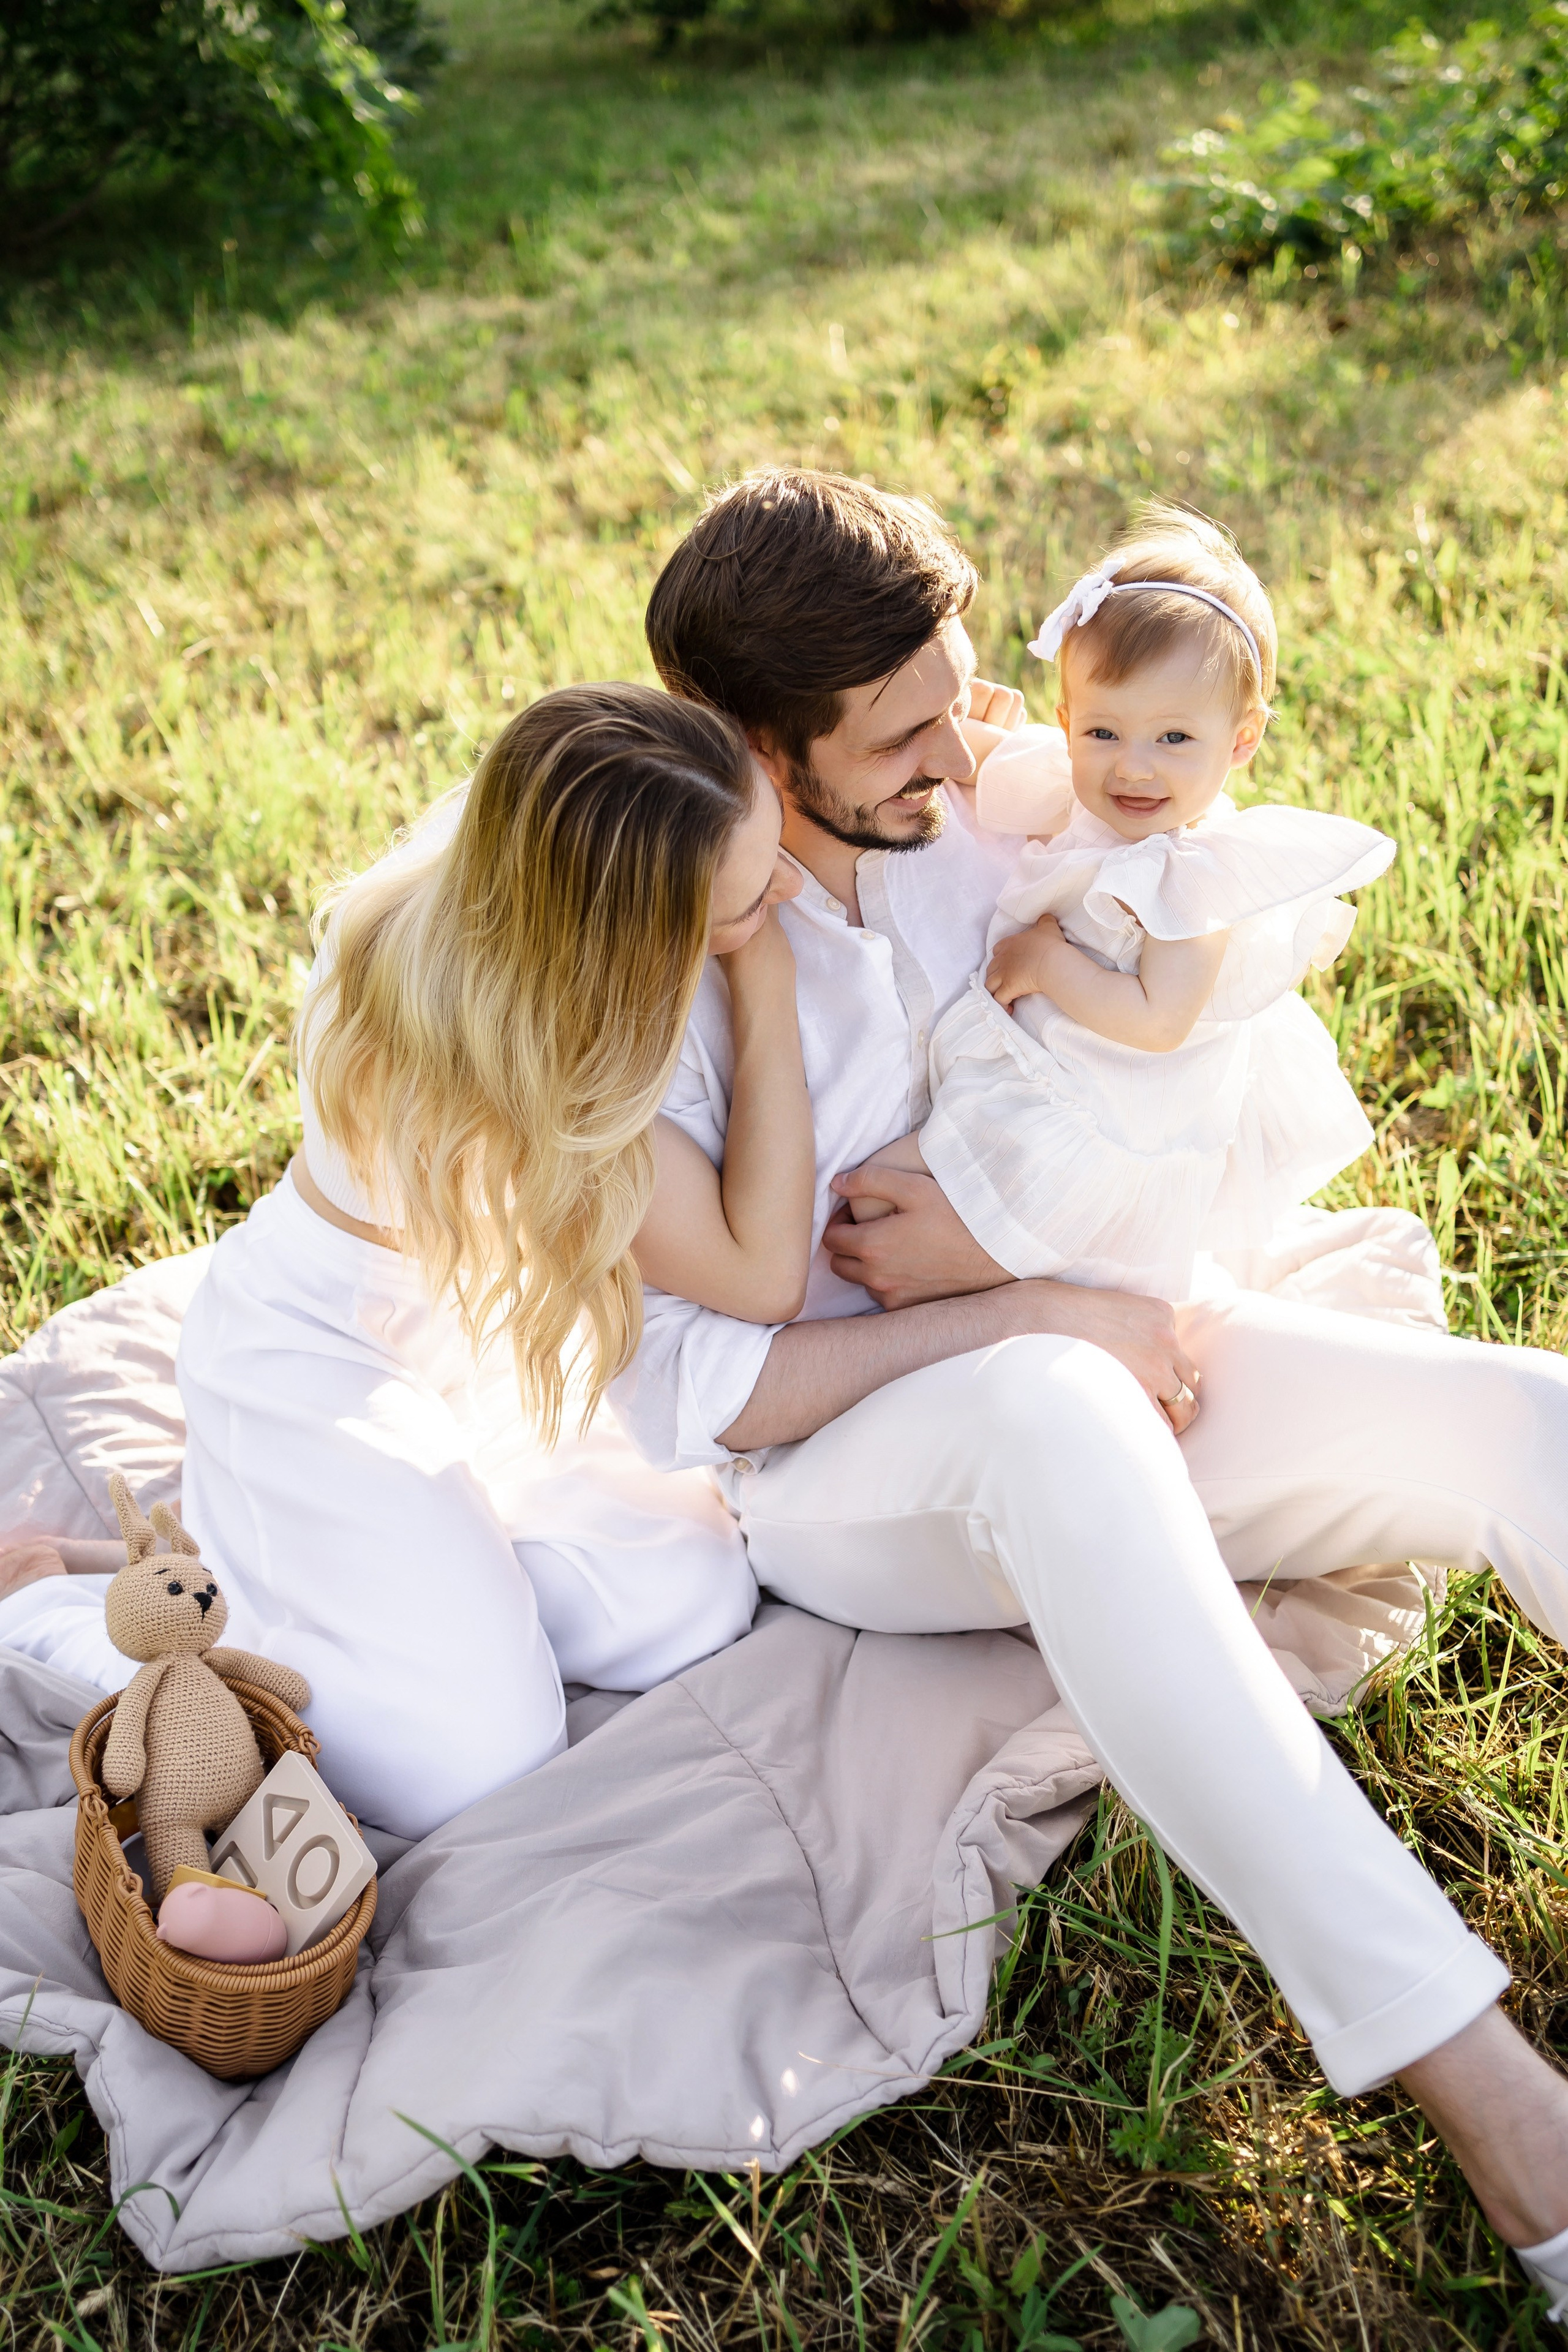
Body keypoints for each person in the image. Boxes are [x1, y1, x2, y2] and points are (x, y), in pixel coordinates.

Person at [622, 467, 1568, 2310]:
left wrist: (1058, 1269)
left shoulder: (987, 814)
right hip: (848, 1475)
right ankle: (1501, 2108)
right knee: (1058, 1397)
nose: (964, 753)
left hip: (1111, 1357)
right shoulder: (654, 964)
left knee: (1526, 1411)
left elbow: (1203, 995)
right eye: (908, 732)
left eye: (973, 698)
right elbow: (714, 1396)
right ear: (758, 743)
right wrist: (1026, 1298)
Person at [0, 684, 818, 1844]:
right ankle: (57, 1598)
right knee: (472, 1764)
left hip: (477, 1328)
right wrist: (770, 985)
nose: (782, 900)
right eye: (746, 904)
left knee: (685, 1601)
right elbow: (760, 1273)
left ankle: (264, 1557)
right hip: (318, 1349)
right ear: (629, 932)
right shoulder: (483, 1024)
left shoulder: (538, 865)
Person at [852, 504, 1396, 1305]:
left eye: (1175, 740)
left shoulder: (1196, 873)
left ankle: (1028, 1310)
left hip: (1102, 1119)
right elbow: (987, 763)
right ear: (1069, 723)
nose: (1134, 770)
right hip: (1037, 1066)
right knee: (875, 1197)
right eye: (1105, 732)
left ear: (1241, 740)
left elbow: (1159, 1018)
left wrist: (1048, 964)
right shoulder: (1079, 781)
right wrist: (936, 717)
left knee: (915, 1218)